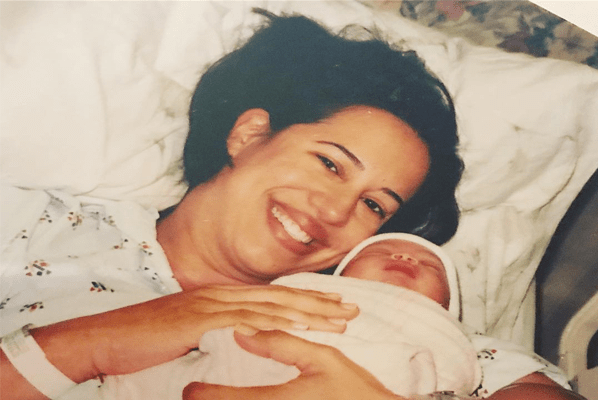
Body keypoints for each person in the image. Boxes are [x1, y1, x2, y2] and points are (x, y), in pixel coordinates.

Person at [0, 9, 463, 400]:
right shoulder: (34, 227)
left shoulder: (369, 315)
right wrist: (87, 345)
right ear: (249, 134)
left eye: (374, 206)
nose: (335, 212)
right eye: (329, 163)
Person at [99, 232, 478, 399]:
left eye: (431, 265)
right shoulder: (295, 290)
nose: (406, 258)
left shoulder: (451, 338)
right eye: (377, 253)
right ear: (341, 276)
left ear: (447, 307)